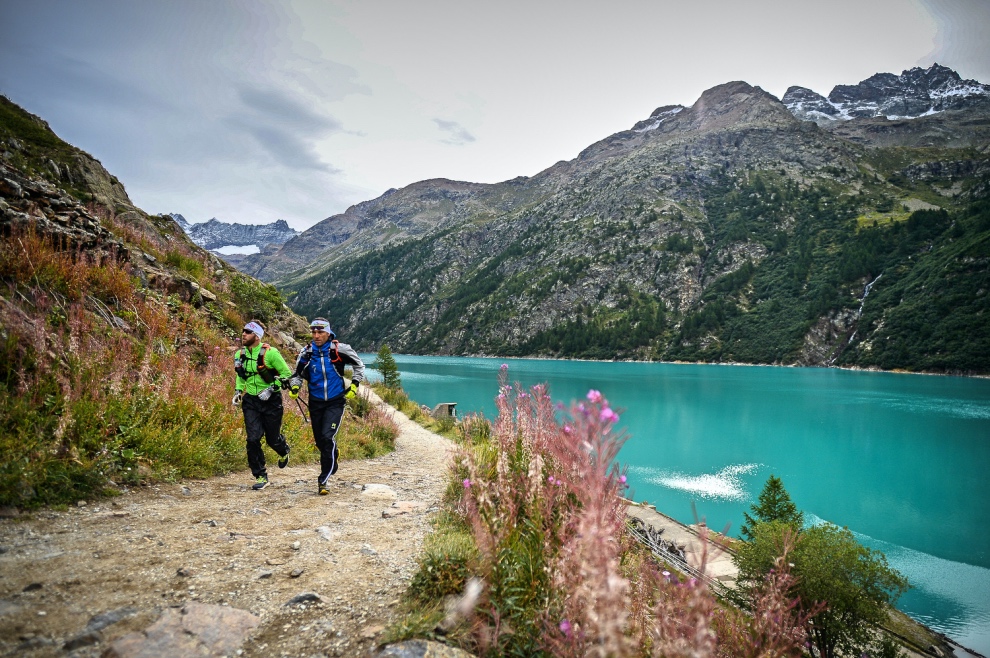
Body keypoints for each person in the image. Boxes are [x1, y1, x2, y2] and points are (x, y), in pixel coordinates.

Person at [287, 317, 365, 495]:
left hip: (335, 401)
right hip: (315, 402)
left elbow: (359, 365)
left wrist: (354, 384)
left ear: (328, 333)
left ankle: (323, 480)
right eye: (313, 332)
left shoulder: (340, 349)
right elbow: (297, 374)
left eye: (320, 331)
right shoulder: (306, 352)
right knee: (321, 441)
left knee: (327, 436)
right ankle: (333, 454)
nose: (316, 335)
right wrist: (295, 386)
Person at [232, 320, 293, 490]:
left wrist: (272, 388)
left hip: (271, 401)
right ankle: (260, 475)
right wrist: (238, 391)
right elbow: (240, 375)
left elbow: (287, 374)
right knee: (253, 439)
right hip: (251, 400)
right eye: (243, 331)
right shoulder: (239, 355)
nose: (243, 334)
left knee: (272, 439)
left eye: (248, 332)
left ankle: (283, 450)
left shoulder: (271, 354)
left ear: (257, 336)